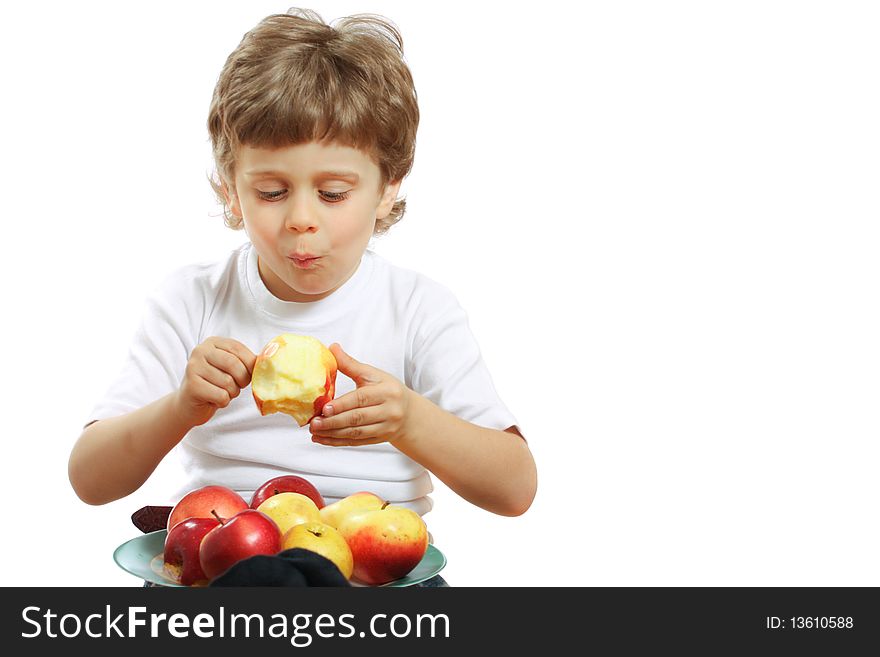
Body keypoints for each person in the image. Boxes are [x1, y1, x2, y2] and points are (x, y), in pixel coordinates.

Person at [69, 9, 536, 538]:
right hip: (228, 557)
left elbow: (515, 488)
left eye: (333, 193)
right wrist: (180, 408)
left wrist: (410, 420)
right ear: (231, 189)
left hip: (371, 570)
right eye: (271, 193)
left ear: (388, 188)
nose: (301, 221)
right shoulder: (192, 299)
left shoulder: (417, 309)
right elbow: (90, 478)